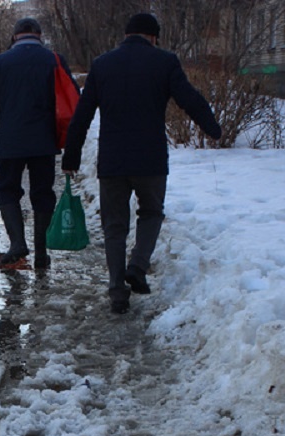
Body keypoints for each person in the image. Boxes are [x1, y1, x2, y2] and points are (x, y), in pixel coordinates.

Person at [61, 12, 221, 314]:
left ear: (126, 35)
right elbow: (189, 98)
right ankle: (137, 265)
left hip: (113, 161)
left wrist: (71, 156)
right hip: (150, 159)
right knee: (151, 213)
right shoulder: (164, 62)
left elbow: (82, 115)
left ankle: (116, 291)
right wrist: (212, 127)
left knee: (114, 226)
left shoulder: (103, 64)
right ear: (154, 37)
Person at [0, 17, 78, 269]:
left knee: (7, 190)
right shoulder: (55, 60)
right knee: (42, 193)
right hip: (44, 141)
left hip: (11, 142)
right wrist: (72, 140)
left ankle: (17, 243)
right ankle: (41, 253)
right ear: (39, 35)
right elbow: (73, 100)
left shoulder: (1, 63)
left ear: (15, 36)